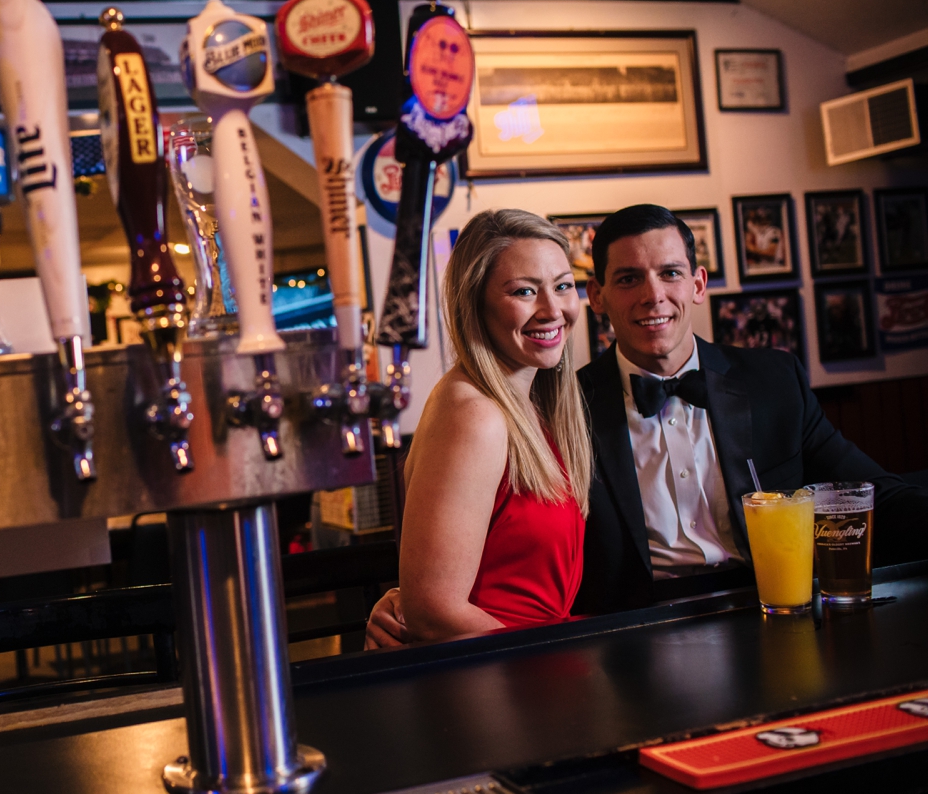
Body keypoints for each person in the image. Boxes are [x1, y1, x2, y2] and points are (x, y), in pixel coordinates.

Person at [576, 204, 927, 613]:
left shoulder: (773, 382)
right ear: (597, 295)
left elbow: (869, 492)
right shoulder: (567, 405)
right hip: (634, 628)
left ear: (698, 284)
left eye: (670, 273)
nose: (653, 296)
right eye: (628, 278)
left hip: (771, 604)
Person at [364, 209, 591, 648]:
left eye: (563, 286)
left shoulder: (528, 403)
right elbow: (433, 612)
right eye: (524, 291)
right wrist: (553, 666)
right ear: (476, 304)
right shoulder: (476, 415)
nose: (553, 310)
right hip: (499, 681)